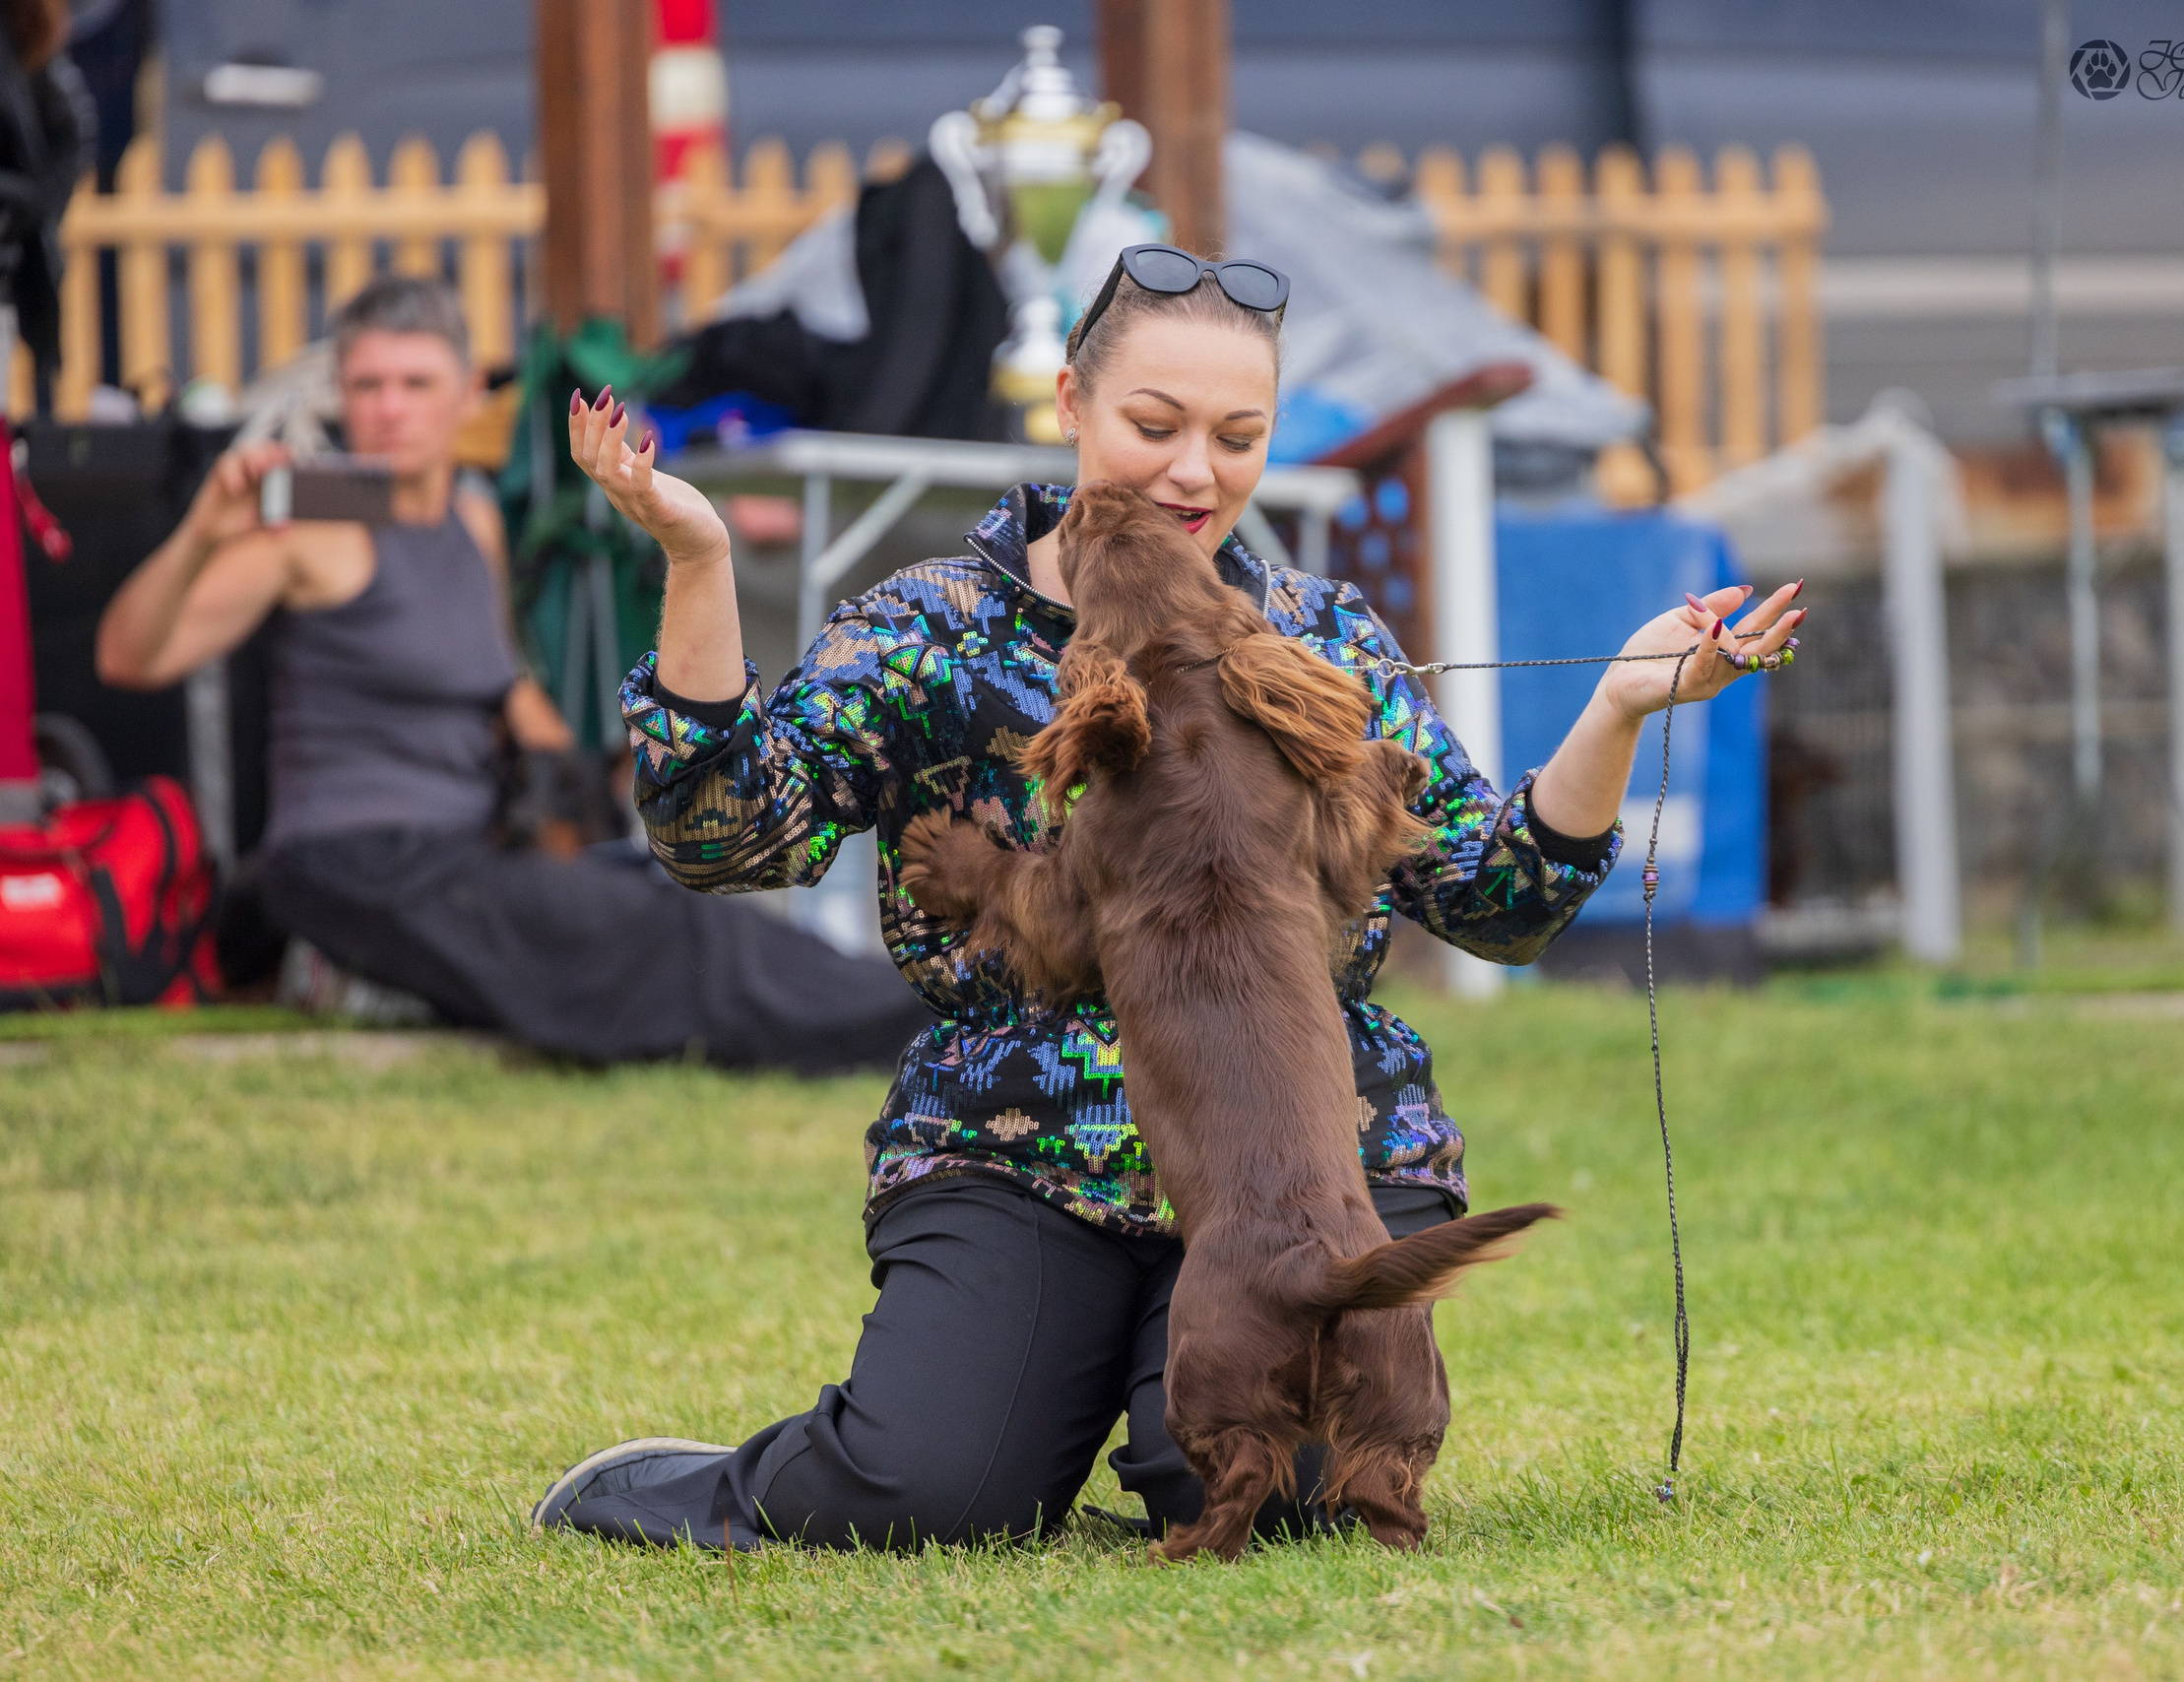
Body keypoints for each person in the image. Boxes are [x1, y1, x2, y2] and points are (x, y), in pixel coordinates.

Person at [532, 245, 1805, 1551]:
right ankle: (721, 1474)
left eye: (1238, 436)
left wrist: (1617, 707)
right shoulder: (930, 627)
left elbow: (1502, 900)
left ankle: (1159, 1417)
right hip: (1026, 1146)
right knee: (928, 1497)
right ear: (1072, 405)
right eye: (1156, 425)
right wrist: (697, 560)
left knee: (1287, 1497)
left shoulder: (1321, 638)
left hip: (1310, 1163)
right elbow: (726, 840)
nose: (1198, 472)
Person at [94, 275, 933, 1071]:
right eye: (367, 385)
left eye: (415, 383)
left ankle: (915, 1003)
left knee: (665, 905)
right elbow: (127, 656)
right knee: (643, 942)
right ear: (341, 399)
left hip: (465, 847)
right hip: (354, 856)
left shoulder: (471, 517)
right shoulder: (314, 525)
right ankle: (898, 1022)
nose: (388, 408)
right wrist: (204, 529)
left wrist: (630, 799)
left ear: (468, 394)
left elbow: (506, 687)